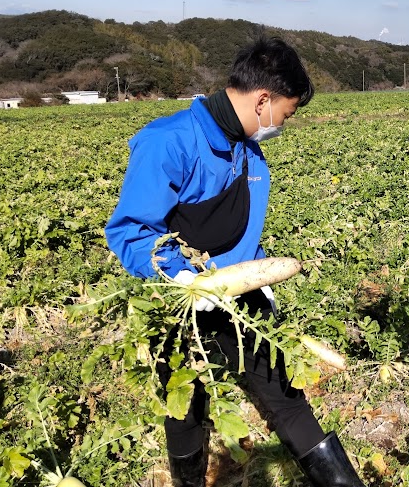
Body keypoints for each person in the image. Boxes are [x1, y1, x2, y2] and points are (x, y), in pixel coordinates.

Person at [105, 37, 365, 487]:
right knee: (186, 403)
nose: (284, 123)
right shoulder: (168, 142)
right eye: (286, 113)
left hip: (237, 297)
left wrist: (257, 275)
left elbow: (243, 234)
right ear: (263, 100)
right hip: (179, 299)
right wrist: (181, 276)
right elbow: (129, 230)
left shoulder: (251, 152)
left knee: (285, 396)